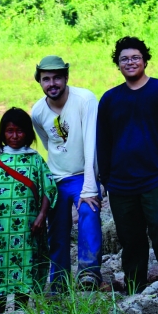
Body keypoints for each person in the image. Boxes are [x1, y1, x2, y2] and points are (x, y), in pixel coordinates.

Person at [97, 37, 158, 292]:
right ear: (117, 64)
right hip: (121, 182)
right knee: (130, 236)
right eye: (124, 59)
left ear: (145, 60)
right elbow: (103, 142)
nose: (130, 62)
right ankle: (134, 285)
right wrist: (106, 179)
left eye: (135, 57)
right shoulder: (109, 99)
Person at [30, 55, 102, 289]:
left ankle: (88, 273)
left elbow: (92, 144)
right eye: (46, 79)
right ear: (39, 81)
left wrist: (91, 187)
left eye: (57, 78)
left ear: (66, 77)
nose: (52, 83)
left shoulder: (85, 100)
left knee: (89, 215)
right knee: (57, 231)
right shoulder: (38, 111)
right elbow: (47, 142)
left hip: (84, 175)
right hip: (56, 179)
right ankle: (58, 281)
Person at [0, 107, 58, 308]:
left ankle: (21, 312)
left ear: (28, 133)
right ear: (2, 133)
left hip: (26, 229)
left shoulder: (35, 160)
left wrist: (41, 216)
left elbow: (49, 188)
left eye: (19, 131)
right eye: (9, 131)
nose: (14, 136)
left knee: (24, 265)